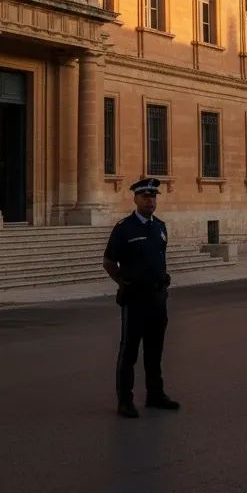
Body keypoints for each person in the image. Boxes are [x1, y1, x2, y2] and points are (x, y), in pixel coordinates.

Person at [103, 177, 180, 418]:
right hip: (135, 299)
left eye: (153, 196)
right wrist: (123, 283)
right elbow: (108, 262)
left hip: (157, 298)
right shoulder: (124, 228)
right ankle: (125, 400)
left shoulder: (160, 227)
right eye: (145, 196)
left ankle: (155, 394)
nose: (150, 200)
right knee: (129, 351)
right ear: (135, 199)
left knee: (155, 350)